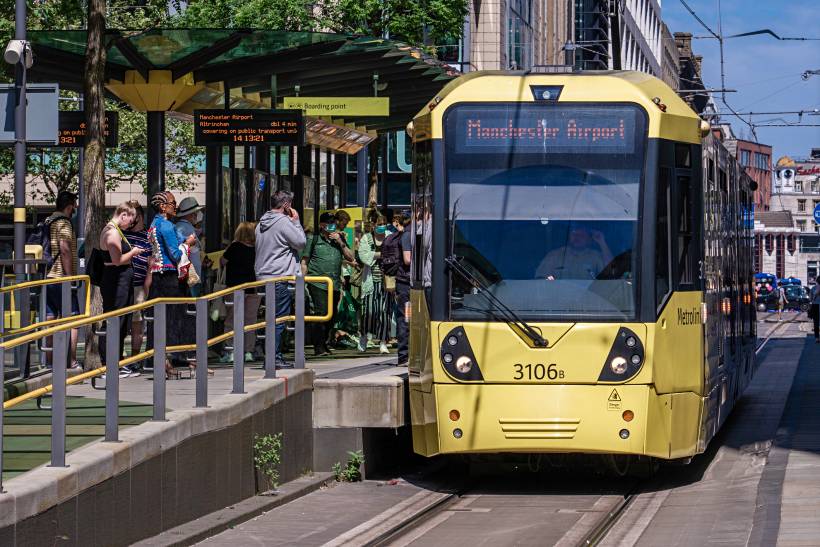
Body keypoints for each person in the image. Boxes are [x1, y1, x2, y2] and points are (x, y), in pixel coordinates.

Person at [147, 191, 199, 378]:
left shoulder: (153, 224)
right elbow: (175, 254)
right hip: (171, 279)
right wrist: (188, 243)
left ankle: (164, 363)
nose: (175, 206)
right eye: (172, 202)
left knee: (162, 321)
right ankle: (187, 360)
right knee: (178, 319)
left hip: (158, 278)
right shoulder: (167, 226)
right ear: (162, 206)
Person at [255, 190, 306, 367]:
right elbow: (300, 242)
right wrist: (297, 222)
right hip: (280, 276)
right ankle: (273, 358)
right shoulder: (284, 222)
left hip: (263, 276)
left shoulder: (261, 222)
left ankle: (269, 355)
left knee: (270, 318)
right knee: (278, 319)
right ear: (286, 205)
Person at [99, 201, 149, 377]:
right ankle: (109, 364)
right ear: (123, 215)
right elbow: (117, 260)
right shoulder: (112, 232)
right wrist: (134, 252)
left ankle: (117, 362)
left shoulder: (116, 231)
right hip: (116, 281)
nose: (131, 224)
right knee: (115, 321)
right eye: (131, 220)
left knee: (121, 323)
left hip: (121, 281)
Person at [301, 211, 355, 356]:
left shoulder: (340, 239)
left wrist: (340, 242)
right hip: (317, 282)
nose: (333, 226)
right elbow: (304, 261)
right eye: (329, 223)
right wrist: (301, 281)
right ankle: (318, 346)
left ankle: (324, 343)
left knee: (332, 315)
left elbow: (351, 257)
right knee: (321, 312)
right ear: (322, 225)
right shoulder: (313, 239)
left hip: (335, 283)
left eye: (334, 223)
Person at [44, 191, 81, 369]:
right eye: (74, 205)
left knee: (50, 318)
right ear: (69, 206)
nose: (75, 208)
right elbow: (65, 249)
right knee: (73, 320)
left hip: (48, 277)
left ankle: (49, 361)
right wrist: (69, 275)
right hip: (60, 277)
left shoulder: (48, 221)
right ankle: (71, 361)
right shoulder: (64, 223)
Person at [221, 222, 261, 363]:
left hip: (234, 288)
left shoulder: (234, 247)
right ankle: (249, 351)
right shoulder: (257, 249)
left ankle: (230, 351)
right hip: (252, 288)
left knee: (232, 320)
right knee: (250, 321)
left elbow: (222, 261)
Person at [122, 201, 152, 370]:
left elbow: (151, 263)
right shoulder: (122, 234)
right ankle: (122, 358)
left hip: (139, 285)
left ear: (139, 216)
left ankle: (135, 359)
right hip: (123, 285)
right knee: (122, 323)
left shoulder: (148, 236)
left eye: (132, 215)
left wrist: (148, 285)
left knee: (137, 323)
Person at [357, 218, 390, 354]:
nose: (381, 227)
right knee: (370, 311)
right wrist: (380, 254)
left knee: (384, 312)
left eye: (383, 224)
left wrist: (377, 255)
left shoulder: (389, 236)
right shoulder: (367, 238)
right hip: (370, 281)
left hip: (386, 281)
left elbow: (395, 253)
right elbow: (363, 256)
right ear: (374, 225)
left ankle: (383, 342)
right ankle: (364, 336)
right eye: (379, 224)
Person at [536, 226, 613, 280]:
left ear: (589, 240)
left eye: (582, 235)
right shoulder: (554, 255)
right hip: (559, 300)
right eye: (574, 234)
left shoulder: (595, 256)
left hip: (588, 300)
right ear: (569, 237)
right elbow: (541, 279)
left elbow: (611, 273)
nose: (577, 237)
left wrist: (602, 242)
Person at [174, 197, 205, 297]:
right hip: (190, 275)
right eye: (196, 213)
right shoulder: (185, 228)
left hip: (190, 274)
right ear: (191, 214)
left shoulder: (181, 227)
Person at [394, 214, 413, 367]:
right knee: (405, 319)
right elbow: (407, 259)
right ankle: (403, 356)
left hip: (409, 282)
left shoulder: (409, 233)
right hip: (405, 284)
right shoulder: (407, 235)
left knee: (408, 319)